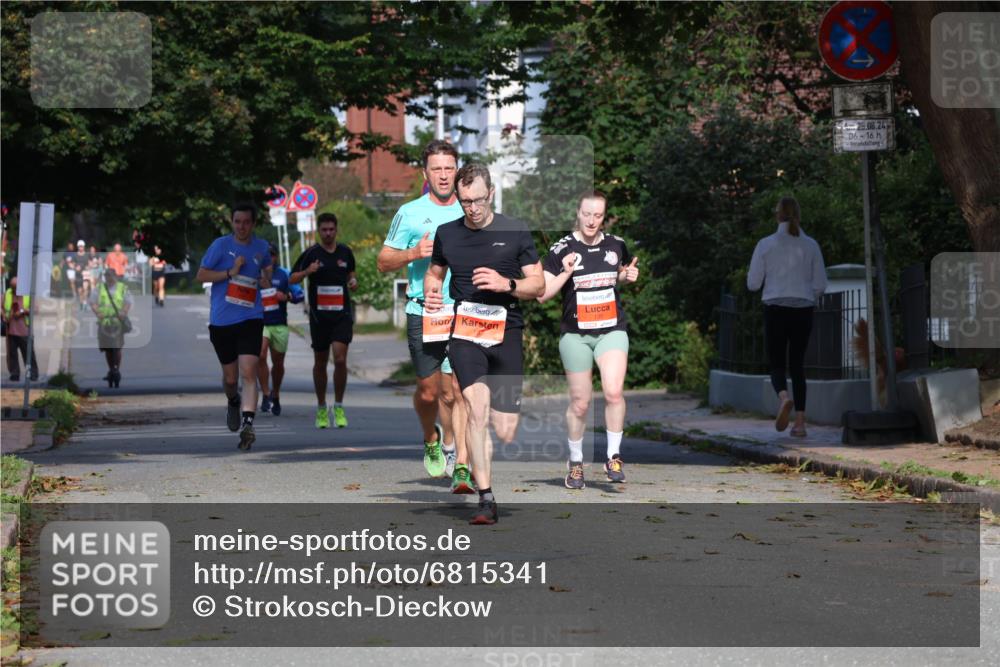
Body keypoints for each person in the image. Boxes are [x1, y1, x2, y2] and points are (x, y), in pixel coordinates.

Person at [424, 163, 544, 525]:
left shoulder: (515, 231)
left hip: (506, 332)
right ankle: (486, 498)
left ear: (491, 194)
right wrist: (432, 291)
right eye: (464, 203)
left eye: (477, 201)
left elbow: (537, 286)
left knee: (505, 429)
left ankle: (485, 451)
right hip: (465, 334)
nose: (472, 209)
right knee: (476, 409)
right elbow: (435, 272)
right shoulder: (448, 234)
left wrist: (506, 284)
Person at [377, 140, 471, 492]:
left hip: (463, 310)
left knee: (458, 391)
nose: (444, 175)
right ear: (425, 173)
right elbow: (383, 261)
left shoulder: (469, 210)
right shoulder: (410, 213)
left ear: (457, 171)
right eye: (437, 169)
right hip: (424, 311)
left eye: (449, 168)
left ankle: (461, 463)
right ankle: (431, 437)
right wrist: (415, 251)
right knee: (431, 393)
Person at [538, 192, 639, 489]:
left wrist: (627, 276)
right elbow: (542, 294)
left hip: (611, 331)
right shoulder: (562, 249)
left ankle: (613, 457)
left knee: (613, 392)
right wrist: (566, 272)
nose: (592, 221)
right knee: (581, 404)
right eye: (587, 214)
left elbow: (618, 273)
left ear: (604, 216)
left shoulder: (616, 244)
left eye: (598, 215)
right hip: (576, 336)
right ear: (578, 213)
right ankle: (576, 462)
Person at [747, 195, 827, 438]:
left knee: (777, 362)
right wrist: (804, 293)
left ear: (777, 215)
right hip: (803, 309)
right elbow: (820, 284)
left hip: (775, 308)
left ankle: (783, 397)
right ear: (798, 215)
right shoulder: (811, 245)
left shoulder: (765, 244)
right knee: (798, 365)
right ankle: (800, 423)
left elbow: (753, 284)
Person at [195, 203, 273, 451]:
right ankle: (233, 400)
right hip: (222, 321)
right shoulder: (220, 246)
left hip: (251, 317)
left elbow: (267, 273)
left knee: (249, 371)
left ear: (253, 223)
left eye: (246, 222)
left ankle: (248, 424)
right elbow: (201, 275)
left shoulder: (261, 247)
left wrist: (265, 279)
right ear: (232, 222)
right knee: (231, 378)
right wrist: (230, 272)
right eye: (238, 222)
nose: (242, 226)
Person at [290, 213, 358, 430]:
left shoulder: (345, 252)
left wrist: (353, 281)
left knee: (339, 360)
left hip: (341, 315)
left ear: (336, 230)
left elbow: (351, 273)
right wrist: (307, 272)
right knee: (320, 361)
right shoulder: (311, 253)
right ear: (318, 231)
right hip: (319, 317)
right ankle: (321, 407)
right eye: (324, 230)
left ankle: (338, 406)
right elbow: (291, 278)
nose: (328, 233)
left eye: (331, 229)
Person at [258, 243, 304, 416]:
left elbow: (299, 295)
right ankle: (265, 393)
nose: (268, 259)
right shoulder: (256, 274)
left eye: (271, 255)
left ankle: (275, 394)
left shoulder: (284, 274)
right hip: (260, 322)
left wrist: (285, 296)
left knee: (278, 364)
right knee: (260, 355)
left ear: (276, 256)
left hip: (279, 323)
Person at [89, 268, 132, 388]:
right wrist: (98, 312)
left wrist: (124, 311)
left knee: (117, 348)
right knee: (107, 349)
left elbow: (128, 302)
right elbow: (92, 302)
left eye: (111, 276)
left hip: (117, 322)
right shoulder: (99, 288)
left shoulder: (122, 288)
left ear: (115, 276)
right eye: (107, 276)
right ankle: (111, 369)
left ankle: (116, 369)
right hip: (104, 322)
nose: (109, 278)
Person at [2, 276, 39, 382]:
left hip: (25, 331)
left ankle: (33, 374)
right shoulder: (8, 293)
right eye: (12, 287)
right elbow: (2, 306)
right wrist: (3, 314)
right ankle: (14, 374)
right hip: (11, 330)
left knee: (28, 354)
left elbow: (35, 309)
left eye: (15, 288)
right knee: (12, 354)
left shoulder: (27, 294)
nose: (14, 290)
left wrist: (22, 311)